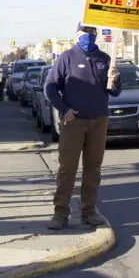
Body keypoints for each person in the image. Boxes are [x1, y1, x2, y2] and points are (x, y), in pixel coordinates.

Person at [44, 23, 122, 230]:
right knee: (67, 168)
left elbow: (114, 91)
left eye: (92, 32)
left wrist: (114, 79)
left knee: (93, 168)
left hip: (99, 120)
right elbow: (50, 87)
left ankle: (89, 211)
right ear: (77, 34)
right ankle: (60, 213)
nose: (88, 35)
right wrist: (64, 109)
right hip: (74, 122)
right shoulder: (67, 58)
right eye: (85, 31)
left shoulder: (105, 59)